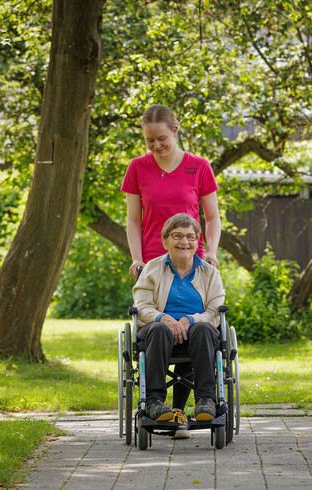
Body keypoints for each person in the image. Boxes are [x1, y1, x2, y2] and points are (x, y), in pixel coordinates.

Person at [121, 104, 222, 435]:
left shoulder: (199, 167)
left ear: (175, 131)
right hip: (154, 262)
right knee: (161, 329)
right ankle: (160, 406)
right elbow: (134, 219)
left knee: (195, 327)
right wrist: (137, 258)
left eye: (161, 139)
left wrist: (211, 254)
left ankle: (182, 410)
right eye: (149, 140)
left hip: (192, 257)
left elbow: (211, 218)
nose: (156, 146)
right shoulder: (137, 168)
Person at [133, 213, 225, 425]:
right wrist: (164, 318)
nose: (184, 241)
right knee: (159, 329)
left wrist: (189, 320)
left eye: (191, 236)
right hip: (157, 333)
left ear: (197, 241)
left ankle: (206, 400)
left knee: (202, 329)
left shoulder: (210, 273)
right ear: (165, 241)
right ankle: (154, 401)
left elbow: (214, 311)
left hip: (197, 334)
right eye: (177, 236)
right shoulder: (152, 269)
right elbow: (141, 306)